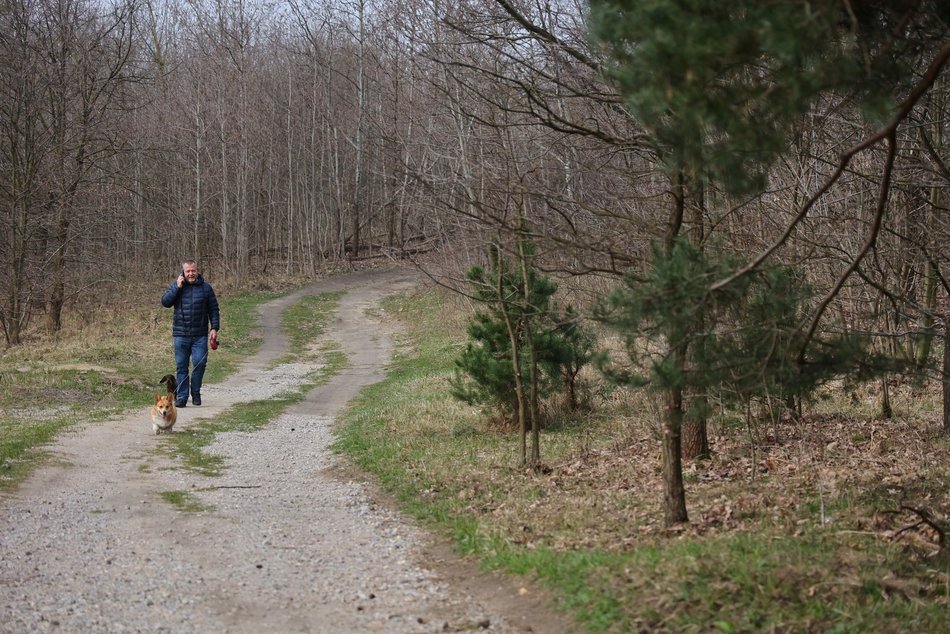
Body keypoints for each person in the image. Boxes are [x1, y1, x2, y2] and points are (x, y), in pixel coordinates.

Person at [161, 259, 220, 407]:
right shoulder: (177, 286)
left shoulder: (206, 289)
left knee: (200, 364)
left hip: (200, 335)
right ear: (183, 272)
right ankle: (182, 396)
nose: (191, 274)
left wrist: (214, 328)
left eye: (193, 271)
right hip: (180, 335)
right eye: (188, 271)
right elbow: (165, 302)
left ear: (197, 271)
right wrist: (177, 287)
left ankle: (195, 393)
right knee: (181, 366)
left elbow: (214, 310)